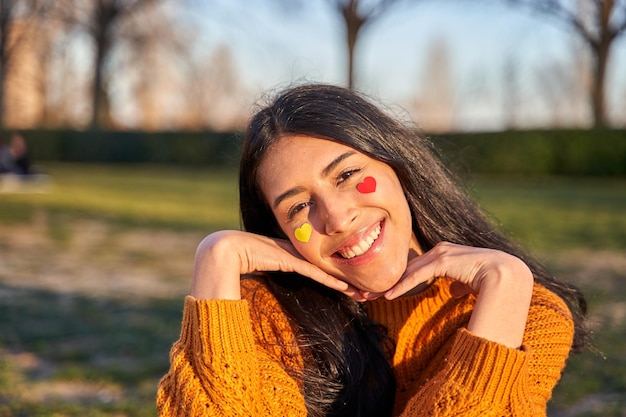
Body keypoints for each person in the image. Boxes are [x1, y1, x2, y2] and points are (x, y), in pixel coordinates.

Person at [157, 84, 588, 416]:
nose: (337, 218)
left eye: (346, 174)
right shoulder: (262, 311)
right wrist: (216, 257)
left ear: (397, 163)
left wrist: (505, 285)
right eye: (300, 206)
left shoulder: (522, 311)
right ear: (278, 229)